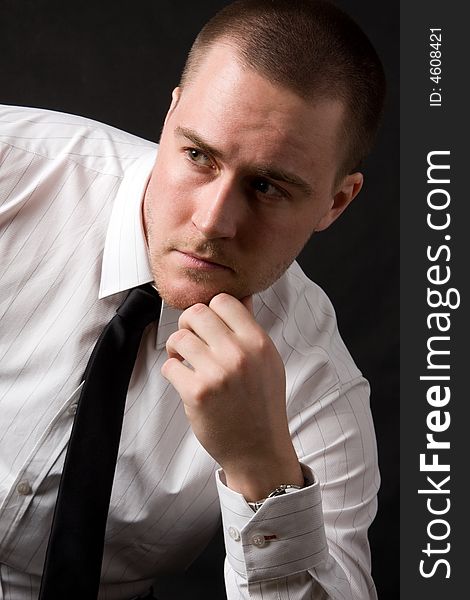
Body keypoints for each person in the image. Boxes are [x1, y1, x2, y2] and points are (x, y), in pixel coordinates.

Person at [0, 0, 386, 598]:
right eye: (198, 155)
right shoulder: (13, 169)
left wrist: (263, 471)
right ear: (172, 112)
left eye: (267, 186)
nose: (212, 222)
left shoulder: (315, 383)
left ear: (336, 203)